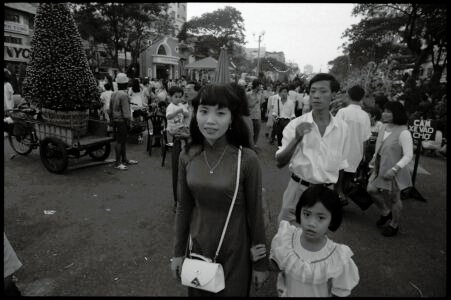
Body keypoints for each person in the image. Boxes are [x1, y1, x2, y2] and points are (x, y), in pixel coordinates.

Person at [171, 83, 268, 296]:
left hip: (236, 251)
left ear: (232, 117)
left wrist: (261, 263)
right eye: (204, 111)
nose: (210, 121)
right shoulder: (187, 155)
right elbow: (183, 208)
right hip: (198, 247)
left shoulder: (247, 159)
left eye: (220, 113)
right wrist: (178, 253)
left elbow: (256, 213)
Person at [251, 186, 360, 297]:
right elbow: (278, 265)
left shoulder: (338, 257)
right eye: (307, 214)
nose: (311, 223)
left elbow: (340, 292)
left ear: (332, 221)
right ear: (299, 212)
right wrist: (259, 258)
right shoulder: (287, 240)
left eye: (321, 218)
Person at [275, 73, 350, 223]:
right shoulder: (295, 125)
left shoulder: (342, 128)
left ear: (333, 94)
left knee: (314, 239)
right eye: (313, 91)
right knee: (286, 236)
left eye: (323, 91)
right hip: (298, 190)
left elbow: (341, 163)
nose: (316, 96)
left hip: (325, 193)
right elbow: (280, 162)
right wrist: (297, 139)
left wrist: (338, 191)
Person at [367, 101, 413, 237]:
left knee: (394, 198)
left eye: (389, 111)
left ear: (397, 114)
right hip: (380, 167)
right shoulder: (383, 127)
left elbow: (408, 155)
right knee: (371, 190)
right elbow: (379, 147)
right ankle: (386, 212)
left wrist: (394, 169)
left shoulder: (404, 132)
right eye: (384, 110)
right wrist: (373, 160)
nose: (384, 113)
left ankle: (394, 224)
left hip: (394, 170)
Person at [335, 85, 371, 199]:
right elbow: (366, 138)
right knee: (348, 177)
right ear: (362, 98)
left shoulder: (342, 112)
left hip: (341, 150)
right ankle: (343, 197)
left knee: (338, 178)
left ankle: (338, 198)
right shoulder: (365, 116)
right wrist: (364, 155)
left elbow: (335, 132)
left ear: (348, 95)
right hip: (357, 152)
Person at [109, 73, 138, 170]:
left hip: (116, 120)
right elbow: (126, 113)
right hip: (122, 121)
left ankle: (124, 159)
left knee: (121, 141)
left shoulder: (114, 94)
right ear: (126, 84)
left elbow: (110, 110)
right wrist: (129, 123)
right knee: (120, 141)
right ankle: (118, 162)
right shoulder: (124, 95)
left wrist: (112, 121)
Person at [247, 79, 264, 147]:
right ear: (256, 86)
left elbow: (261, 104)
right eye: (260, 85)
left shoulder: (261, 94)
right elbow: (246, 105)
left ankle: (254, 145)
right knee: (249, 132)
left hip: (258, 116)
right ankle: (249, 145)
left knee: (257, 132)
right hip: (250, 116)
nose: (261, 87)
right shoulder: (248, 94)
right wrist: (254, 103)